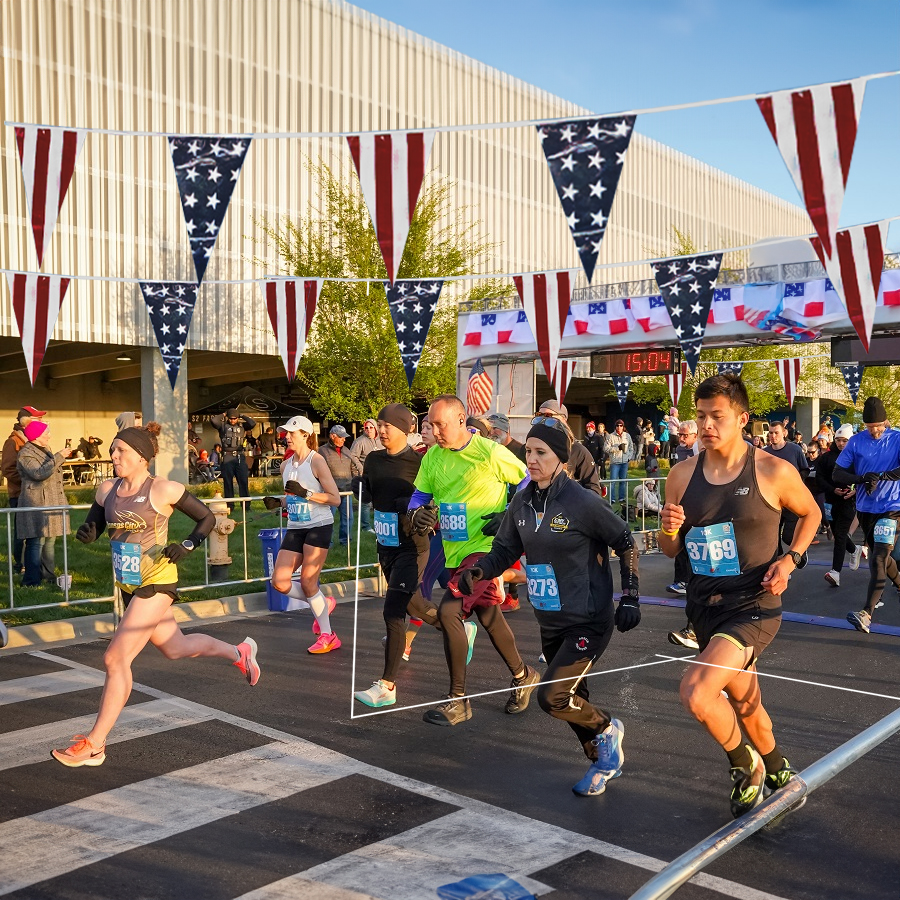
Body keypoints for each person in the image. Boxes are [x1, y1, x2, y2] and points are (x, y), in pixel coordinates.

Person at [659, 373, 819, 818]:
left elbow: (812, 513)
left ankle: (743, 763)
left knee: (696, 692)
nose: (707, 424)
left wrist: (791, 561)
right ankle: (778, 767)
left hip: (753, 606)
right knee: (748, 704)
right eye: (701, 415)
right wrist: (668, 526)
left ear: (742, 419)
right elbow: (671, 547)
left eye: (718, 416)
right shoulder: (681, 475)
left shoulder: (772, 470)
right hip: (703, 607)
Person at [52, 420, 257, 767]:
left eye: (121, 451)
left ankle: (96, 744)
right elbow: (96, 524)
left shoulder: (162, 489)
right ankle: (240, 652)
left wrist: (188, 545)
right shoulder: (106, 490)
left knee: (116, 659)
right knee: (177, 648)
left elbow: (206, 517)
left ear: (142, 457)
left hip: (157, 582)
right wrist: (88, 533)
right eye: (113, 450)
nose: (114, 455)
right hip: (129, 586)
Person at [459, 415, 640, 795]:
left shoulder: (581, 501)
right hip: (550, 619)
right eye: (528, 451)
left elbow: (625, 541)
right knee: (575, 697)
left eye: (541, 452)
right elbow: (504, 550)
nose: (532, 460)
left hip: (588, 619)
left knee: (552, 696)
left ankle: (609, 730)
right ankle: (601, 762)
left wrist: (631, 595)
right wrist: (478, 572)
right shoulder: (522, 501)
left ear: (560, 458)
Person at [408, 394, 534, 726]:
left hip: (487, 551)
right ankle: (524, 675)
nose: (434, 431)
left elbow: (528, 480)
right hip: (454, 551)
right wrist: (416, 513)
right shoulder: (433, 457)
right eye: (431, 424)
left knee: (450, 611)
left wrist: (510, 512)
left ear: (462, 420)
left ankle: (458, 700)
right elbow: (420, 495)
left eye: (440, 424)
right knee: (489, 616)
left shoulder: (490, 452)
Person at [354, 403, 474, 707]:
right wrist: (358, 487)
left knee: (393, 612)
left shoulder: (419, 461)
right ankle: (460, 627)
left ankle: (387, 686)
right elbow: (370, 495)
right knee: (415, 605)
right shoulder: (374, 459)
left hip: (413, 545)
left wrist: (426, 510)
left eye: (388, 426)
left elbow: (439, 494)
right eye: (379, 425)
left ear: (405, 429)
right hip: (386, 544)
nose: (381, 431)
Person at [263, 415, 342, 653]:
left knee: (308, 581)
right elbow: (292, 497)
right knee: (279, 582)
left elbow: (335, 499)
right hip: (296, 526)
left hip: (319, 525)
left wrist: (306, 493)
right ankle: (321, 602)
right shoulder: (286, 466)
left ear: (306, 435)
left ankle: (328, 635)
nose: (286, 437)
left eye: (291, 433)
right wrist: (278, 502)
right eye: (285, 433)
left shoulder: (316, 461)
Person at [833, 397, 900, 633]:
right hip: (865, 509)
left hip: (892, 507)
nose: (874, 431)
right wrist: (862, 478)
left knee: (878, 559)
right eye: (870, 427)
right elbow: (838, 473)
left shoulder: (897, 438)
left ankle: (866, 613)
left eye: (878, 426)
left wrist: (879, 476)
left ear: (886, 421)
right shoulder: (856, 442)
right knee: (883, 557)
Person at [17, 421, 72, 587]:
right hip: (36, 501)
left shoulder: (45, 450)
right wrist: (59, 456)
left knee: (49, 541)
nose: (49, 435)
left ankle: (48, 576)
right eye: (46, 433)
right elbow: (39, 473)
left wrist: (57, 457)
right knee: (36, 542)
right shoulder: (25, 454)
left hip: (51, 500)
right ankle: (31, 580)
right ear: (36, 436)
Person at [2, 406, 47, 576]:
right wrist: (30, 480)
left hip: (33, 493)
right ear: (25, 422)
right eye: (37, 419)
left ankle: (32, 564)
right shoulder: (12, 442)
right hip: (20, 494)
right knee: (21, 532)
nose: (41, 421)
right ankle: (18, 564)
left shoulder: (31, 440)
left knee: (34, 533)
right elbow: (7, 469)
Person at [817, 423, 863, 587]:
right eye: (838, 440)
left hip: (849, 502)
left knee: (841, 535)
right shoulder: (826, 458)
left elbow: (864, 477)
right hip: (831, 501)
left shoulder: (858, 457)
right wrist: (831, 489)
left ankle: (835, 572)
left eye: (845, 440)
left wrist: (856, 491)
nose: (841, 444)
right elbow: (819, 478)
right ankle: (854, 549)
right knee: (838, 534)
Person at [764, 421, 809, 550]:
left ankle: (799, 552)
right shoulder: (765, 453)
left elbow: (804, 470)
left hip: (792, 498)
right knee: (773, 537)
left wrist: (795, 483)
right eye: (770, 433)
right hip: (773, 499)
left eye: (776, 432)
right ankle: (777, 564)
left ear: (784, 433)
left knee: (788, 536)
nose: (773, 436)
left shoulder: (794, 449)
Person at [318, 424, 358, 545]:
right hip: (330, 492)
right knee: (328, 518)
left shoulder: (346, 450)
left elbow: (353, 468)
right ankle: (326, 542)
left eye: (344, 437)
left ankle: (345, 542)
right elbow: (319, 471)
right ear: (332, 436)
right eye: (341, 437)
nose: (343, 439)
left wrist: (356, 480)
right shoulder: (322, 451)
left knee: (348, 518)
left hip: (346, 490)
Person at [210, 408, 256, 510]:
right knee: (228, 482)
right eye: (231, 418)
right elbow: (213, 421)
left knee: (243, 481)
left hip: (240, 456)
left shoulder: (242, 426)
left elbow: (252, 423)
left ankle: (246, 506)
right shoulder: (222, 426)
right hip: (227, 456)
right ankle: (230, 506)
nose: (233, 420)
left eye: (235, 418)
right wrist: (224, 414)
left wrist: (242, 415)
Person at [350, 419, 382, 532]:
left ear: (375, 428)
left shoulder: (381, 440)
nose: (369, 430)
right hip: (366, 475)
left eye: (371, 427)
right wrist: (360, 468)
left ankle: (379, 524)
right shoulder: (360, 441)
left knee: (380, 500)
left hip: (380, 475)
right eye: (366, 428)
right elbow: (353, 456)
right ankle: (366, 526)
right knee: (366, 502)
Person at [604, 420, 633, 505]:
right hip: (615, 462)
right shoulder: (610, 436)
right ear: (615, 427)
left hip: (624, 462)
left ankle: (621, 498)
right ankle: (612, 499)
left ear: (623, 427)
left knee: (623, 481)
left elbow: (631, 448)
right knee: (612, 481)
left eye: (621, 425)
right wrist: (617, 448)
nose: (619, 427)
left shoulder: (627, 436)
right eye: (617, 425)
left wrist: (628, 457)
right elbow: (605, 448)